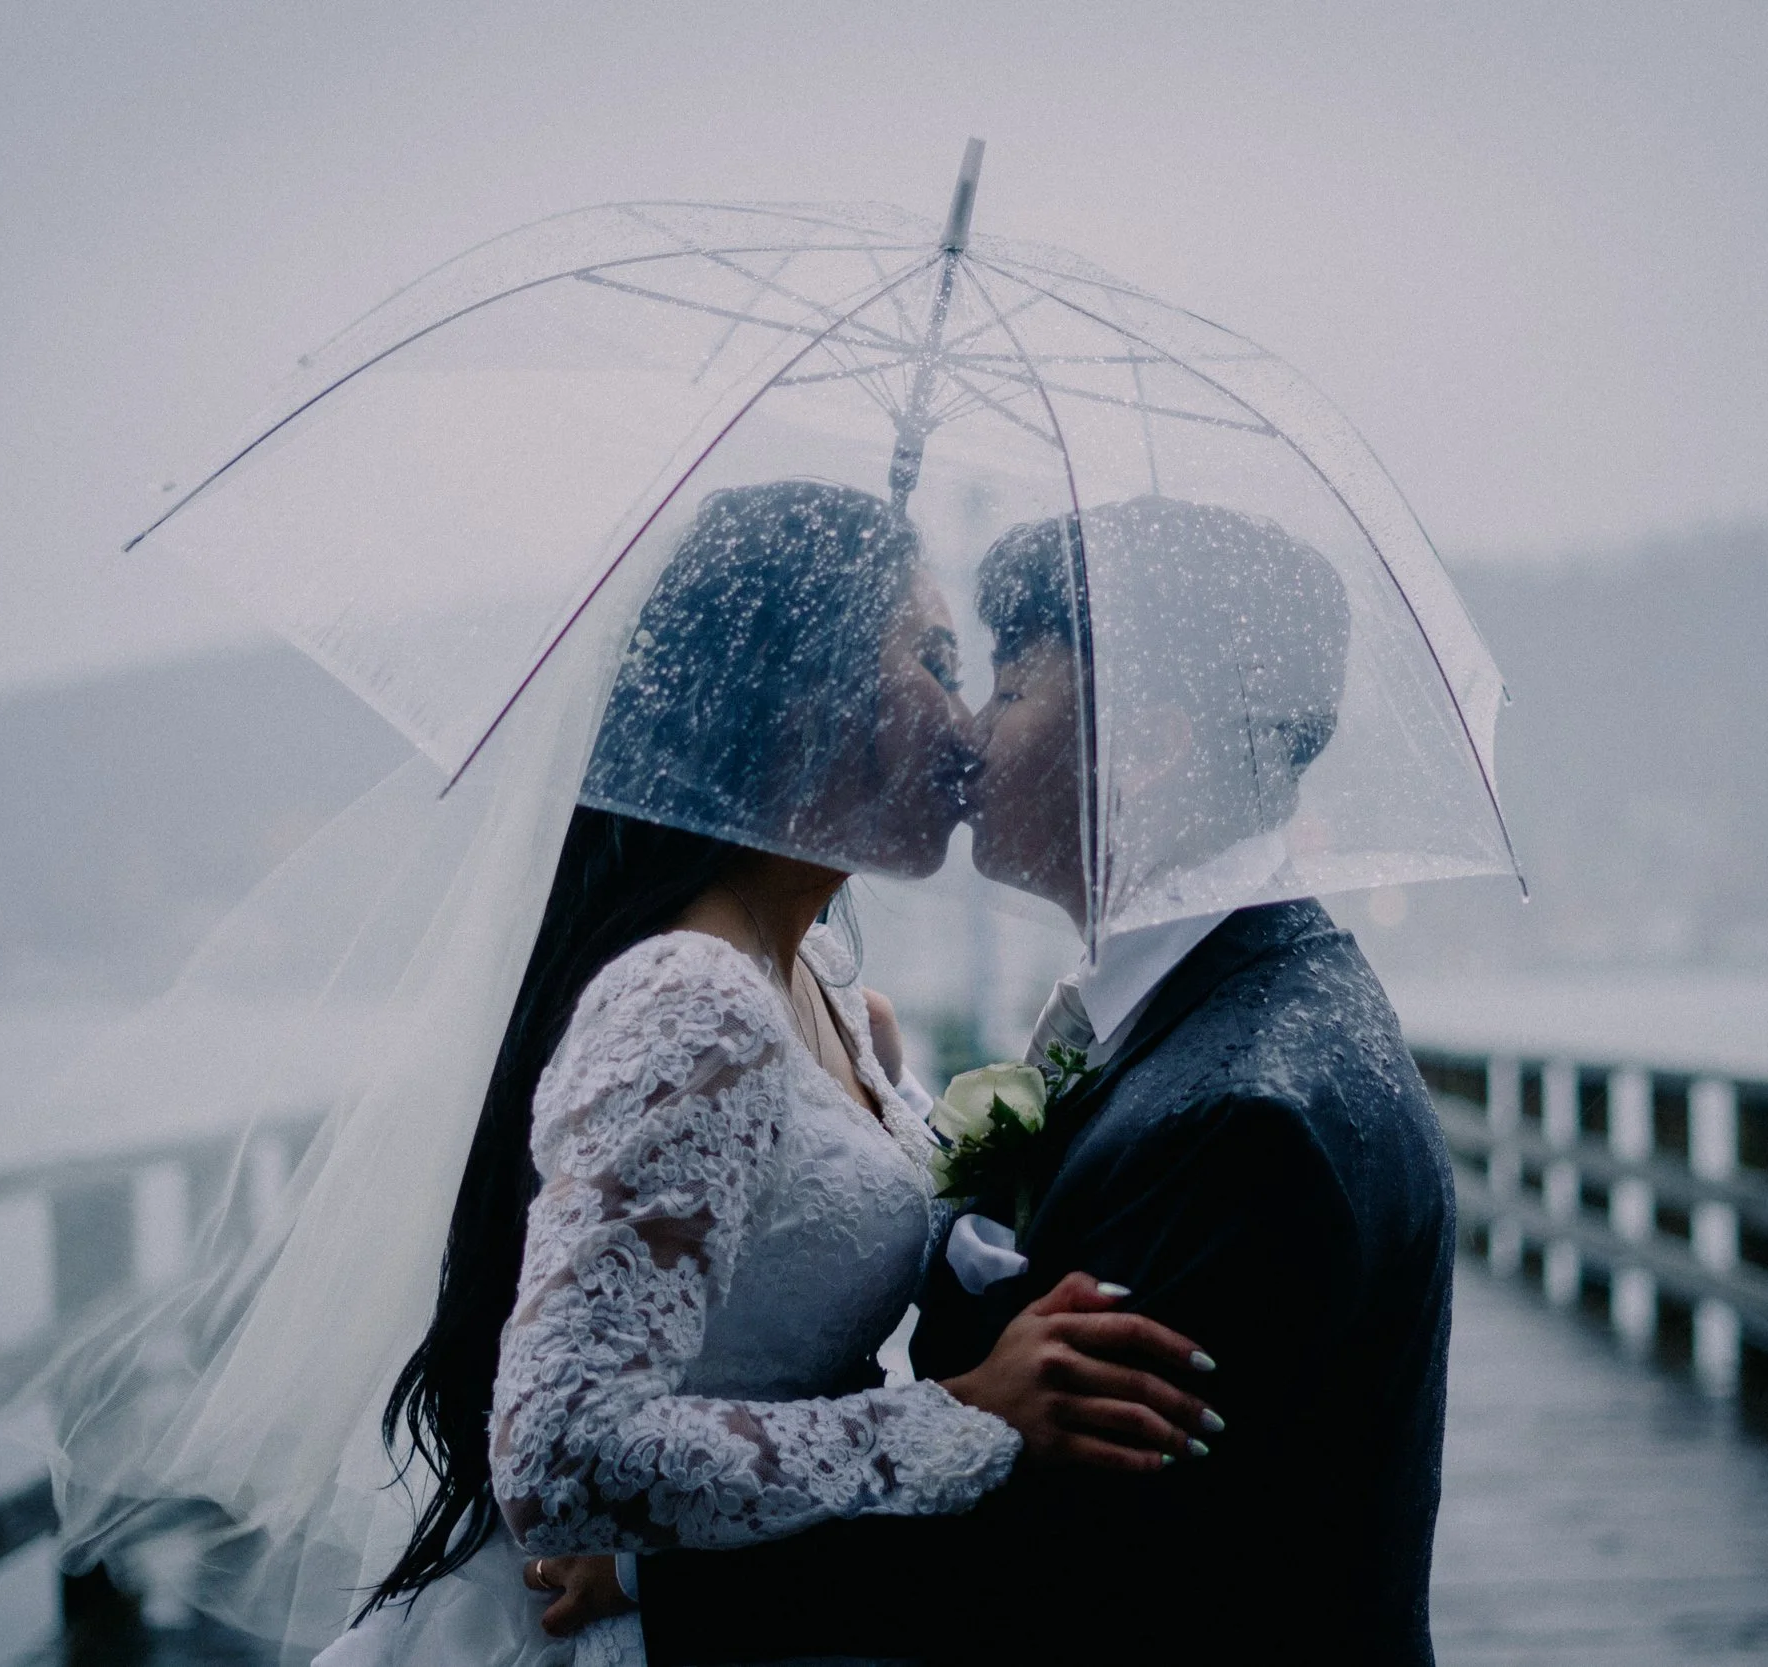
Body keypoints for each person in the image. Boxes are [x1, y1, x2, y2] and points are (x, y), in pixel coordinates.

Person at [321, 481, 1220, 1667]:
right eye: (934, 659)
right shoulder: (690, 1005)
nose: (966, 726)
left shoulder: (827, 983)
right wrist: (959, 1414)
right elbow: (557, 1458)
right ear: (798, 697)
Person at [601, 497, 1458, 1666]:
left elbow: (1066, 1574)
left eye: (1007, 689)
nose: (967, 733)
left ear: (1145, 747)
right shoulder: (1214, 1008)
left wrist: (648, 1573)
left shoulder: (1242, 1118)